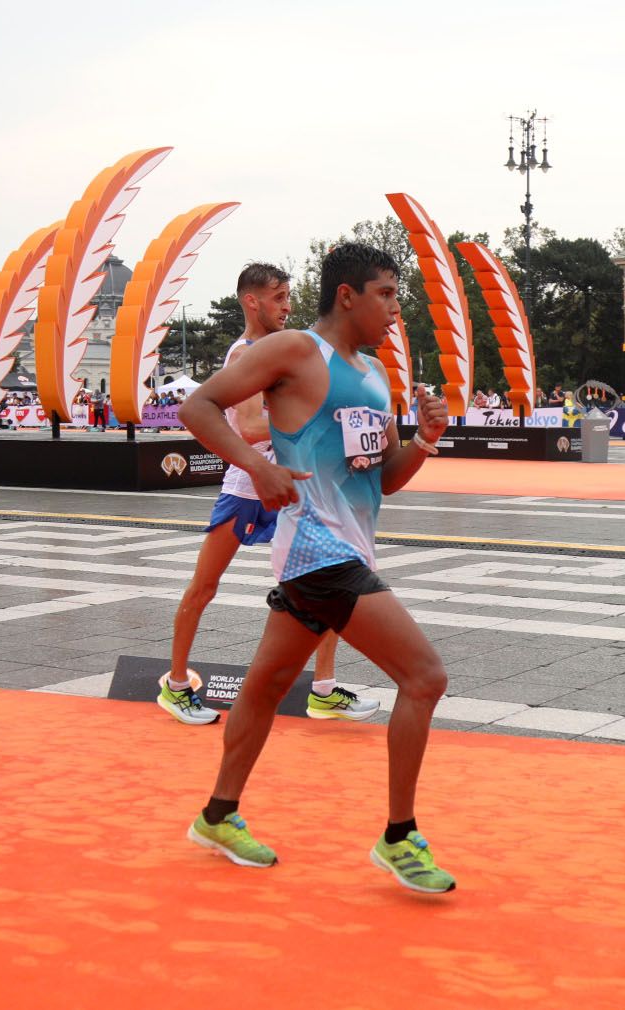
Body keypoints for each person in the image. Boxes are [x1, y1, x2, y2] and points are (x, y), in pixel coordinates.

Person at [179, 243, 456, 892]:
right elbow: (199, 408)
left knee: (267, 684)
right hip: (316, 552)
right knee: (425, 677)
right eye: (386, 294)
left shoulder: (376, 376)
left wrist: (424, 439)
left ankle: (218, 814)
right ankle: (399, 836)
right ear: (347, 296)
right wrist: (258, 467)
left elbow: (383, 479)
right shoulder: (297, 351)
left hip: (346, 551)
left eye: (398, 296)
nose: (395, 309)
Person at [158, 263, 374, 728]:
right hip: (246, 487)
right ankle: (175, 685)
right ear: (251, 301)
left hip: (289, 486)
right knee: (204, 587)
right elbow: (252, 427)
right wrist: (305, 416)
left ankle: (322, 689)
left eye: (289, 297)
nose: (287, 306)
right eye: (278, 297)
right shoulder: (245, 355)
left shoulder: (283, 350)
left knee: (332, 581)